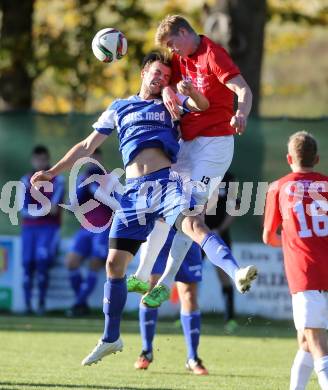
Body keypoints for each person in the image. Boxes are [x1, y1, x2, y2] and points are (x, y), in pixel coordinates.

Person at [30, 52, 257, 366]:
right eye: (156, 72)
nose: (161, 78)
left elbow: (203, 106)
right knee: (113, 264)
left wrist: (189, 93)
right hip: (134, 193)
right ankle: (112, 337)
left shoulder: (170, 100)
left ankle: (235, 272)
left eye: (166, 75)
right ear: (143, 72)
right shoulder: (119, 107)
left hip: (166, 182)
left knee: (194, 225)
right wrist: (53, 172)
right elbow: (86, 147)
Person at [128, 15, 253, 308]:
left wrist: (242, 113)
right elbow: (165, 81)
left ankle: (217, 274)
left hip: (214, 145)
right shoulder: (178, 56)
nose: (173, 50)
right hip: (186, 144)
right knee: (170, 208)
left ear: (185, 32)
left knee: (191, 215)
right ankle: (147, 275)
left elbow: (244, 90)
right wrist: (170, 91)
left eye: (173, 43)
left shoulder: (213, 54)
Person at [263, 131, 328, 390]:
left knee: (315, 339)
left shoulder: (278, 187)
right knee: (305, 340)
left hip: (305, 272)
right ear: (317, 158)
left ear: (289, 158)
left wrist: (289, 243)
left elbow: (269, 236)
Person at [134, 230, 208, 375]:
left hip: (187, 235)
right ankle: (146, 351)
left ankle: (192, 357)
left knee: (189, 294)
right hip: (159, 234)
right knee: (151, 289)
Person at [66, 149, 113, 317]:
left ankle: (78, 304)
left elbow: (115, 203)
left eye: (95, 157)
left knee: (95, 263)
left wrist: (95, 189)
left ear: (100, 159)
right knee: (71, 262)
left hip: (103, 229)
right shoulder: (81, 178)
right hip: (85, 228)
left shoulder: (108, 178)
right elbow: (71, 206)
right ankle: (82, 303)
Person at [20, 145, 65, 315]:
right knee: (27, 265)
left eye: (44, 159)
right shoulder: (25, 180)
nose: (40, 162)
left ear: (48, 160)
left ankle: (41, 305)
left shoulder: (57, 180)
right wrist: (43, 210)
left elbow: (53, 209)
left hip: (49, 229)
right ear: (33, 160)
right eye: (37, 159)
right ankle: (26, 306)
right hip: (29, 230)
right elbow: (22, 210)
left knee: (42, 264)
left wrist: (35, 211)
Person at [204, 171, 240, 334]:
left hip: (220, 234)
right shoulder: (202, 172)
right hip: (198, 233)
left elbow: (235, 207)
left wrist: (220, 229)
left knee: (224, 275)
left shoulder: (229, 178)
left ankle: (230, 318)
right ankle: (186, 313)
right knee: (189, 275)